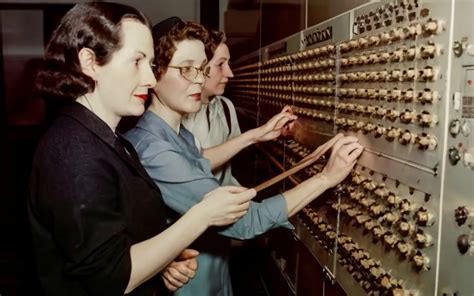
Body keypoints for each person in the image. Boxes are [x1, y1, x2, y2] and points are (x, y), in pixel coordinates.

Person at [27, 4, 256, 296]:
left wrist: (161, 262)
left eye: (150, 63)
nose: (149, 79)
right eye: (137, 62)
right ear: (90, 62)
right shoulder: (74, 153)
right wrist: (203, 215)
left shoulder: (106, 138)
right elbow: (110, 277)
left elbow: (119, 239)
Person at [124, 16, 363, 296]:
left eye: (201, 68)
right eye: (186, 69)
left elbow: (198, 166)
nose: (200, 80)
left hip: (214, 272)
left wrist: (257, 135)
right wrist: (326, 178)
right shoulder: (154, 147)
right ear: (155, 73)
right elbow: (247, 222)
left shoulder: (177, 135)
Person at [181, 29, 240, 186]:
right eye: (221, 64)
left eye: (229, 64)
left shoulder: (226, 107)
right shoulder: (178, 115)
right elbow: (193, 167)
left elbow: (227, 173)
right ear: (200, 67)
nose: (230, 73)